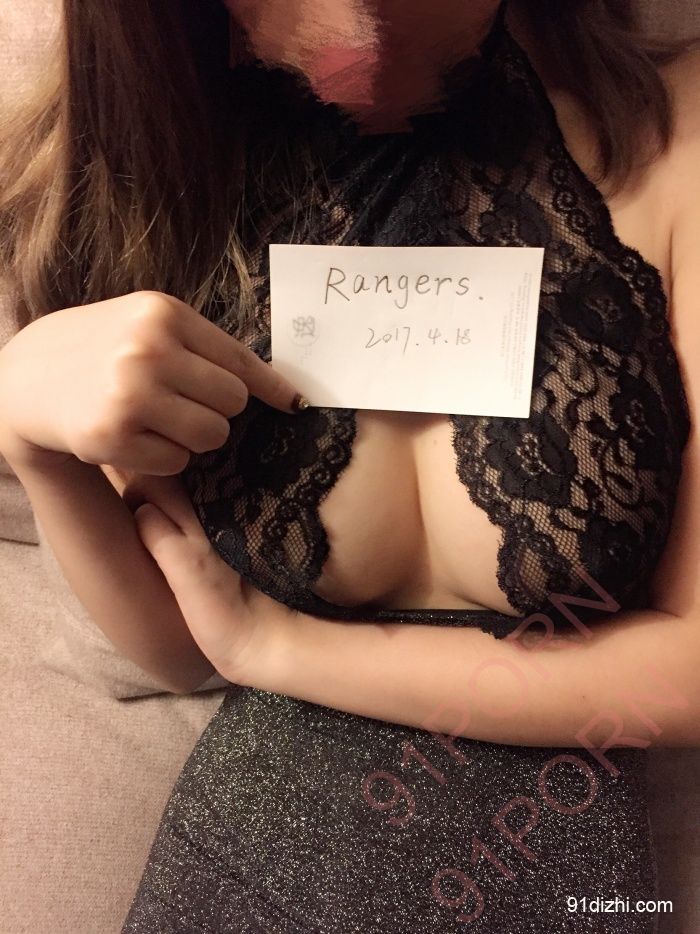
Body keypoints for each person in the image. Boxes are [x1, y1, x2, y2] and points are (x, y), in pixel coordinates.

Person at [0, 0, 698, 930]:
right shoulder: (150, 165)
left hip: (561, 885)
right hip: (245, 873)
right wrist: (34, 446)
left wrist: (277, 648)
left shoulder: (678, 132)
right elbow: (177, 647)